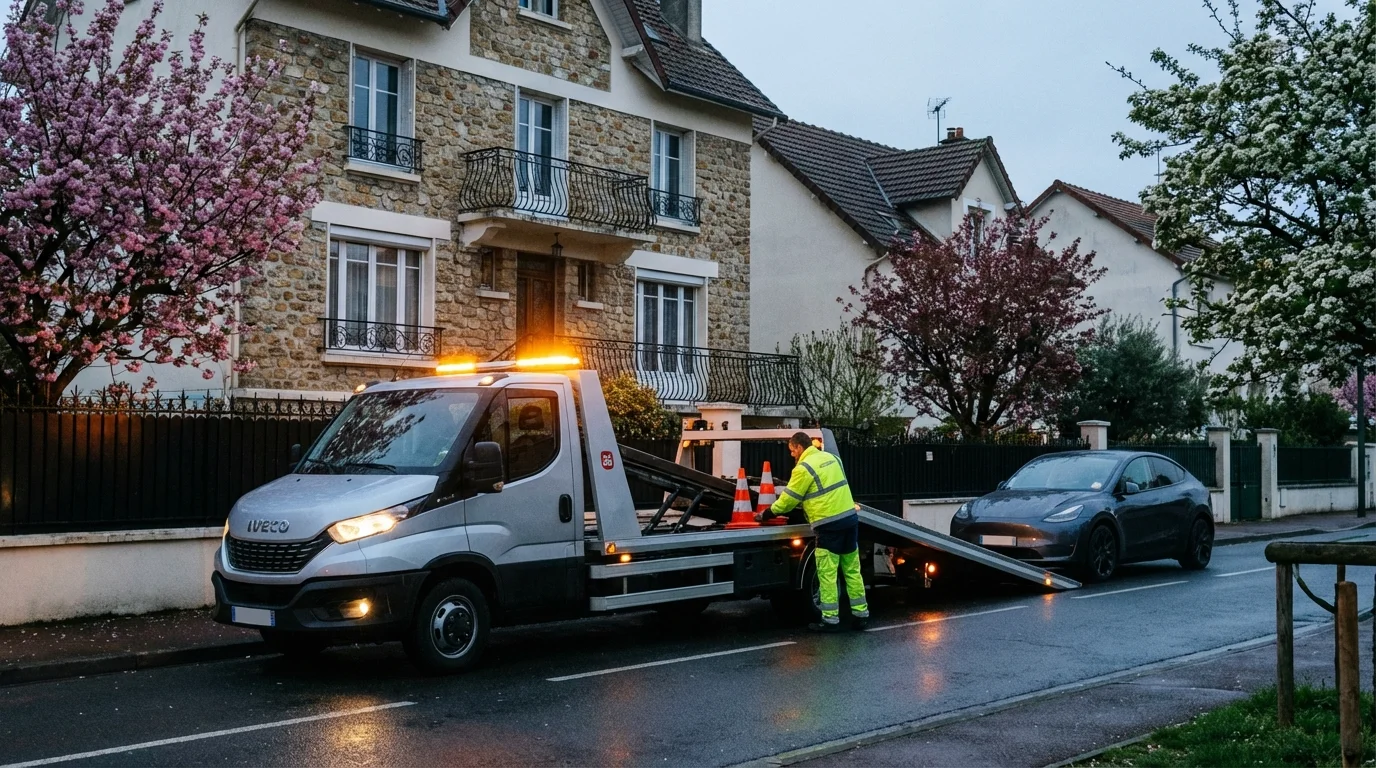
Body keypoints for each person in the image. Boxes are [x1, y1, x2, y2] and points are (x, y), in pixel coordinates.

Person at [756, 432, 869, 632]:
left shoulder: (804, 468)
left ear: (799, 447)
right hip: (850, 519)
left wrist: (767, 513)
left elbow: (789, 500)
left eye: (792, 451)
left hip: (828, 526)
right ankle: (861, 615)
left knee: (827, 574)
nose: (792, 455)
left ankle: (830, 620)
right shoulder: (831, 458)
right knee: (852, 570)